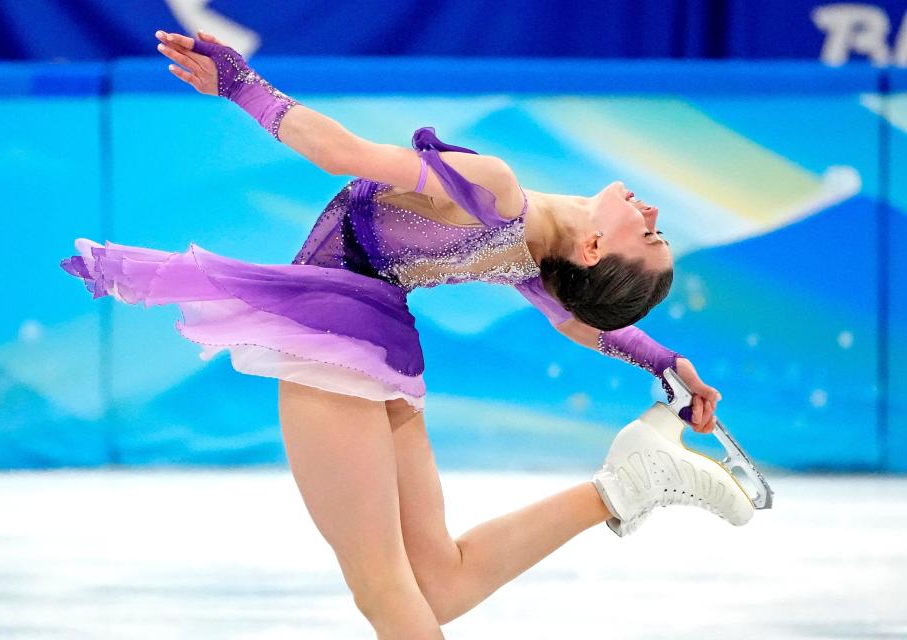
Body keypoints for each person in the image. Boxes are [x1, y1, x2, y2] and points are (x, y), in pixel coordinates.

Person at [60, 29, 749, 639]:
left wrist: (242, 85)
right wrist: (666, 363)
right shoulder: (532, 248)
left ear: (595, 248)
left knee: (384, 591)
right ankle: (623, 488)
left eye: (651, 233)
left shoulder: (498, 195)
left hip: (334, 335)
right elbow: (577, 320)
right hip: (377, 344)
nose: (653, 210)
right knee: (437, 584)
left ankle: (631, 484)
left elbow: (339, 154)